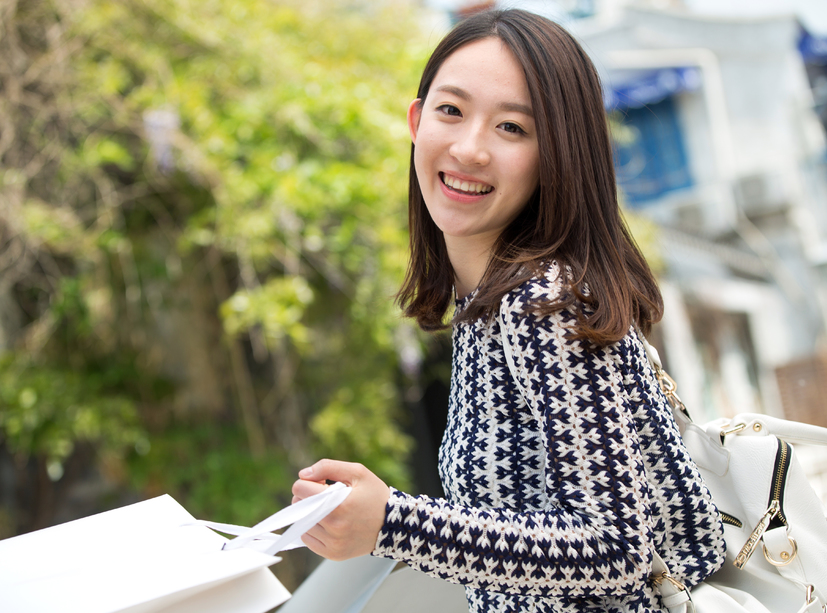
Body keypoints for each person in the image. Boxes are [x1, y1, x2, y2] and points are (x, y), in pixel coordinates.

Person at [291, 9, 726, 612]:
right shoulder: (486, 303)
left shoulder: (544, 302)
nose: (469, 149)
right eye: (451, 111)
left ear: (558, 155)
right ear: (416, 122)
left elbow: (619, 551)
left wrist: (394, 523)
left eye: (513, 129)